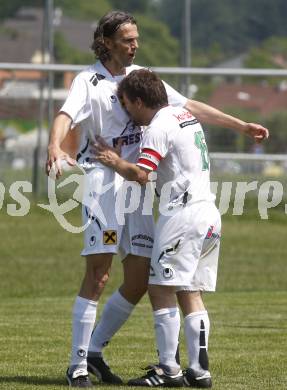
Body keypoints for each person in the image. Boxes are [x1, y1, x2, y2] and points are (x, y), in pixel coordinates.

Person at [46, 10, 269, 388]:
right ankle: (77, 365)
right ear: (108, 42)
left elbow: (189, 106)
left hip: (137, 185)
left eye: (136, 39)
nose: (135, 45)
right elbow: (65, 115)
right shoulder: (89, 80)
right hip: (105, 186)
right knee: (99, 274)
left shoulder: (142, 78)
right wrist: (53, 144)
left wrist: (240, 124)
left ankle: (97, 352)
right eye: (128, 39)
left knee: (140, 279)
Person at [93, 69, 222, 387]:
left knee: (160, 288)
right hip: (208, 212)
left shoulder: (158, 126)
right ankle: (199, 371)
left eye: (126, 104)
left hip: (182, 216)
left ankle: (169, 369)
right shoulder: (184, 115)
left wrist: (113, 160)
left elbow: (142, 173)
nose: (126, 112)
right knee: (189, 291)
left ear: (139, 101)